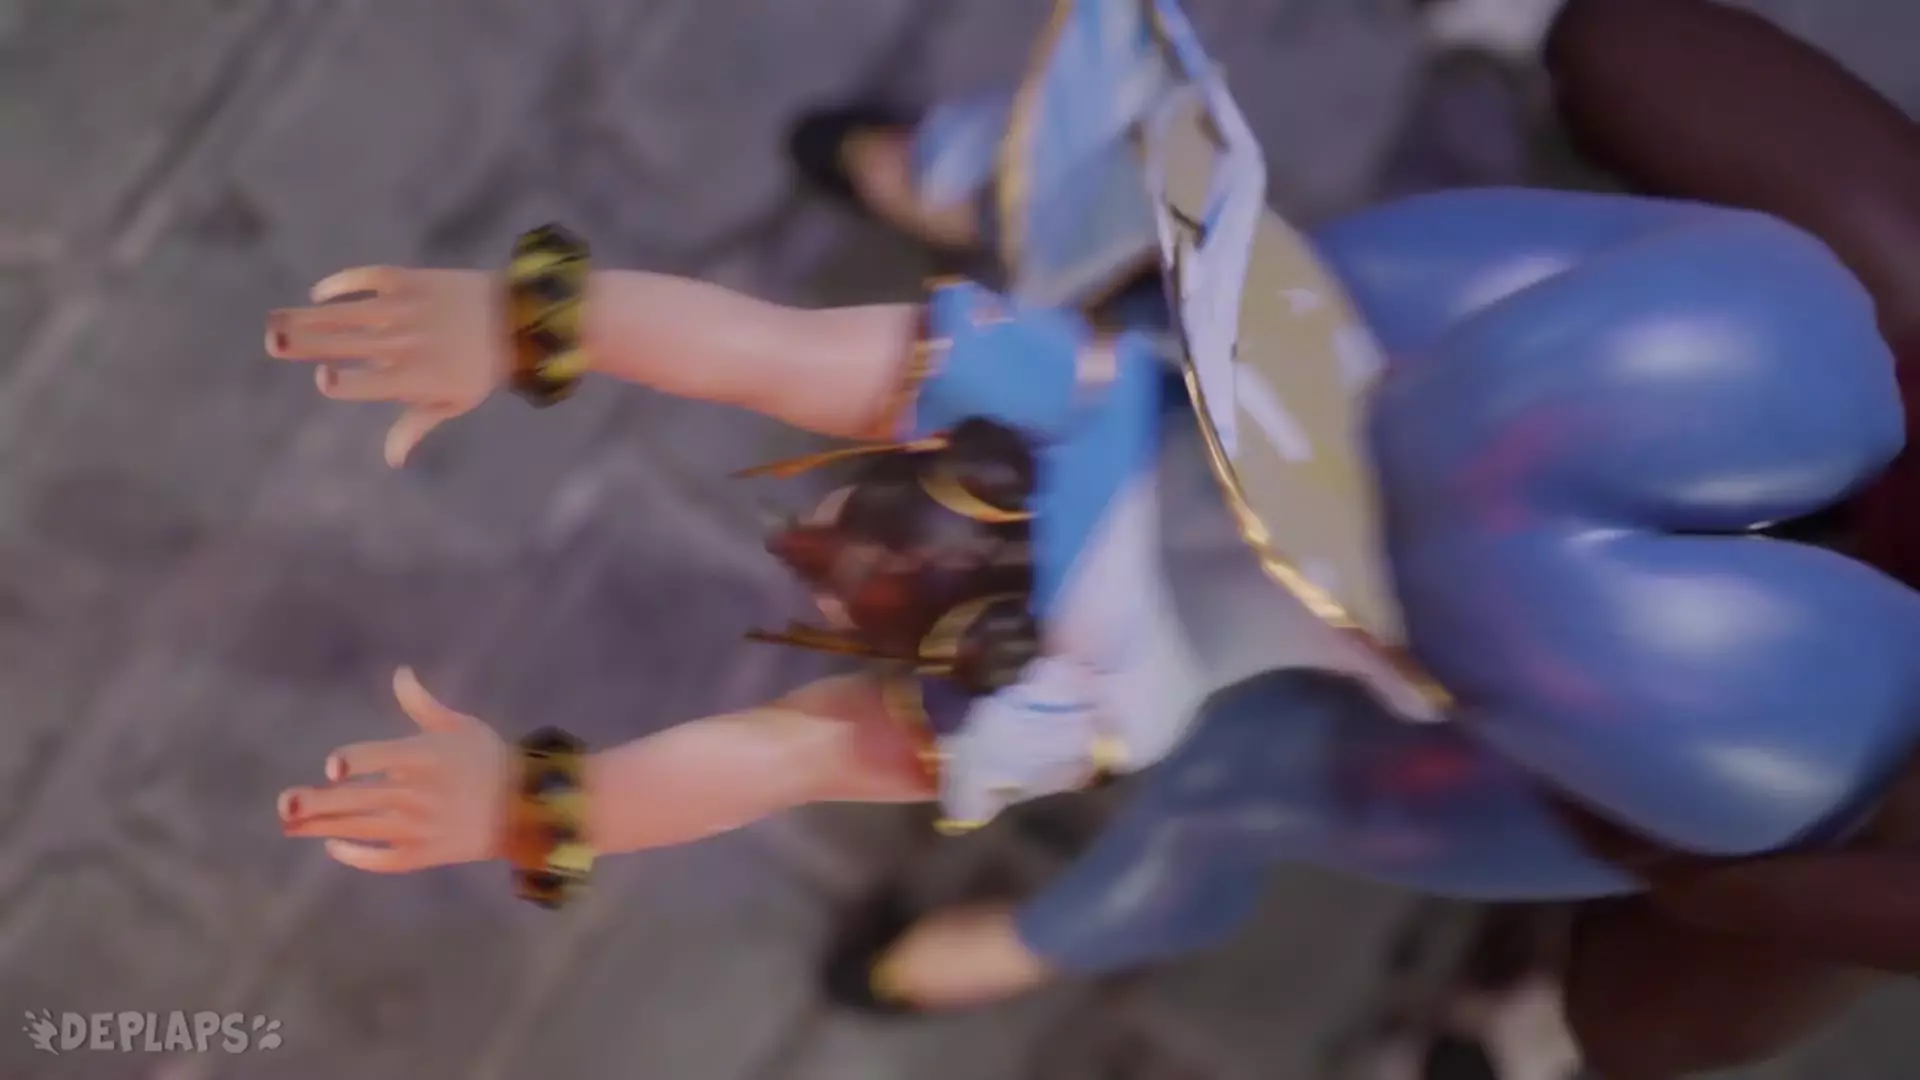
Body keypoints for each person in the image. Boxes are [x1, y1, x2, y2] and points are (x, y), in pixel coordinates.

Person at [268, 0, 1920, 1065]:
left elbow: (758, 420)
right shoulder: (1062, 561)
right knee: (1303, 747)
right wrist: (538, 797)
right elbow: (772, 710)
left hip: (1577, 564)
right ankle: (1059, 930)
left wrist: (531, 332)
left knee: (1358, 719)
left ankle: (1053, 933)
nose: (834, 532)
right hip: (1546, 511)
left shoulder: (1060, 520)